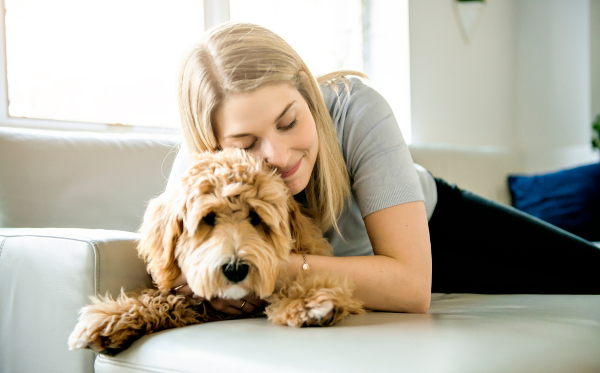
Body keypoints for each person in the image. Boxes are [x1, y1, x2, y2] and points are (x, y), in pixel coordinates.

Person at [167, 22, 600, 316]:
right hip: (375, 273)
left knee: (589, 271)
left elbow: (411, 287)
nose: (279, 155)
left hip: (433, 226)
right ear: (213, 144)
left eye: (289, 122)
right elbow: (170, 262)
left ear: (306, 92)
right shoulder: (198, 170)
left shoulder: (356, 108)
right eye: (246, 145)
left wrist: (275, 271)